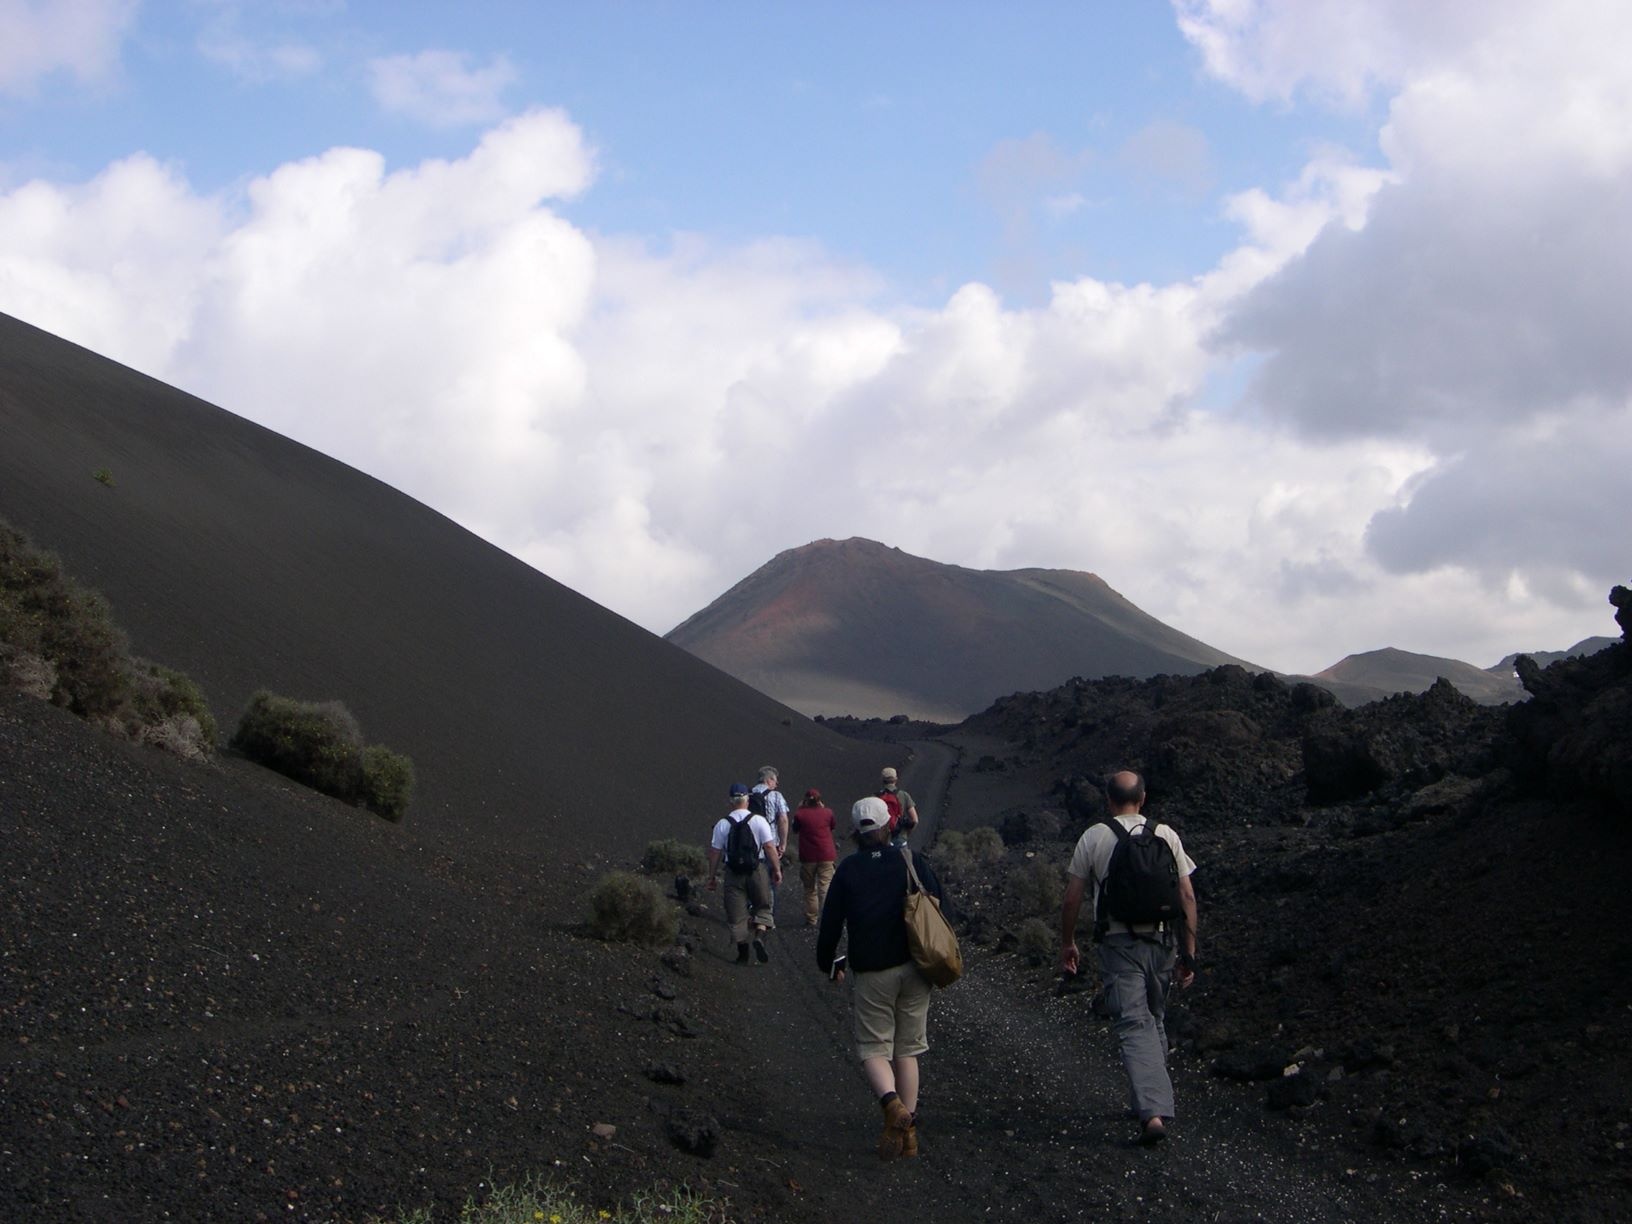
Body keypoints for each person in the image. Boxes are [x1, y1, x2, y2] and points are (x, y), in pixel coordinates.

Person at [1059, 770, 1198, 1145]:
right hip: (1163, 941)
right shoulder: (1166, 834)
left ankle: (1152, 1113)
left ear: (1108, 800)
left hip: (1119, 943)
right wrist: (1190, 952)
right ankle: (1149, 1099)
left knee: (1135, 1023)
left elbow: (1072, 897)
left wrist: (1068, 942)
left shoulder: (1095, 836)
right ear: (1143, 797)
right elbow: (1186, 897)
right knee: (1154, 1017)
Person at [817, 796, 945, 1160]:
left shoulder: (849, 870)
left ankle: (893, 1108)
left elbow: (830, 926)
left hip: (872, 970)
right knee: (908, 1049)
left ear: (857, 831)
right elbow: (942, 906)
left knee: (874, 1048)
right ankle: (910, 1135)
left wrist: (829, 962)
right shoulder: (910, 860)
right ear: (890, 824)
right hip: (914, 967)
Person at [706, 782, 783, 964]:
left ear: (731, 802)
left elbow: (715, 852)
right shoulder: (759, 821)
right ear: (747, 800)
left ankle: (743, 953)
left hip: (733, 873)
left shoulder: (722, 824)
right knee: (763, 906)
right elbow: (769, 846)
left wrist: (712, 877)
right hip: (757, 870)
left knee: (736, 914)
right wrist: (777, 869)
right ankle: (760, 936)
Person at [790, 788, 837, 926]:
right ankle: (831, 915)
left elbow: (795, 829)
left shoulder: (800, 814)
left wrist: (800, 809)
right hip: (826, 854)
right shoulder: (828, 812)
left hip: (808, 856)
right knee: (826, 885)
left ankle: (812, 918)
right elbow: (832, 826)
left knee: (809, 889)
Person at [751, 766, 791, 916]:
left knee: (753, 878)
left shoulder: (748, 794)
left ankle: (752, 911)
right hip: (771, 843)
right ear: (768, 780)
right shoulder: (776, 796)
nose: (777, 783)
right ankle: (768, 915)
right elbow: (783, 819)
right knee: (772, 878)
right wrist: (783, 843)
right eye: (775, 779)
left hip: (751, 845)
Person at [879, 766, 919, 846]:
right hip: (900, 837)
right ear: (896, 779)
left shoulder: (876, 797)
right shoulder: (904, 795)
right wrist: (906, 834)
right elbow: (915, 820)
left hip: (882, 839)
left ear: (882, 780)